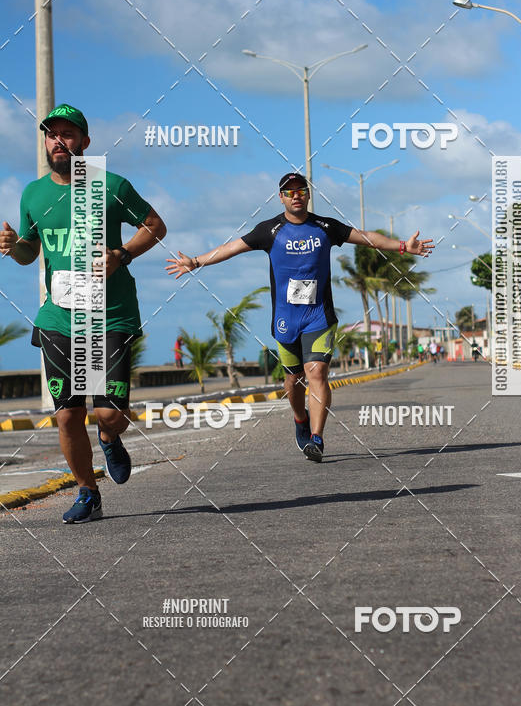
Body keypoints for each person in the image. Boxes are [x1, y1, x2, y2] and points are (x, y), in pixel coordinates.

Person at [166, 172, 433, 462]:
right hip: (285, 319)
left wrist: (404, 247)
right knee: (292, 383)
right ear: (281, 197)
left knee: (316, 372)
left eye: (300, 190)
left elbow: (367, 238)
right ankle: (300, 419)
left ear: (307, 195)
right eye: (289, 191)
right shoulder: (269, 230)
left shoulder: (326, 227)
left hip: (319, 316)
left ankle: (316, 439)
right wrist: (195, 261)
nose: (295, 195)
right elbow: (230, 249)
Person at [0, 104, 166, 524]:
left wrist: (122, 254)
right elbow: (28, 252)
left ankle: (110, 436)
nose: (58, 141)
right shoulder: (32, 194)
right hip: (58, 317)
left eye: (68, 134)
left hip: (110, 314)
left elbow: (155, 225)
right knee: (68, 413)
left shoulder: (109, 185)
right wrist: (10, 244)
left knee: (108, 412)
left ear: (84, 143)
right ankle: (88, 492)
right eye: (51, 135)